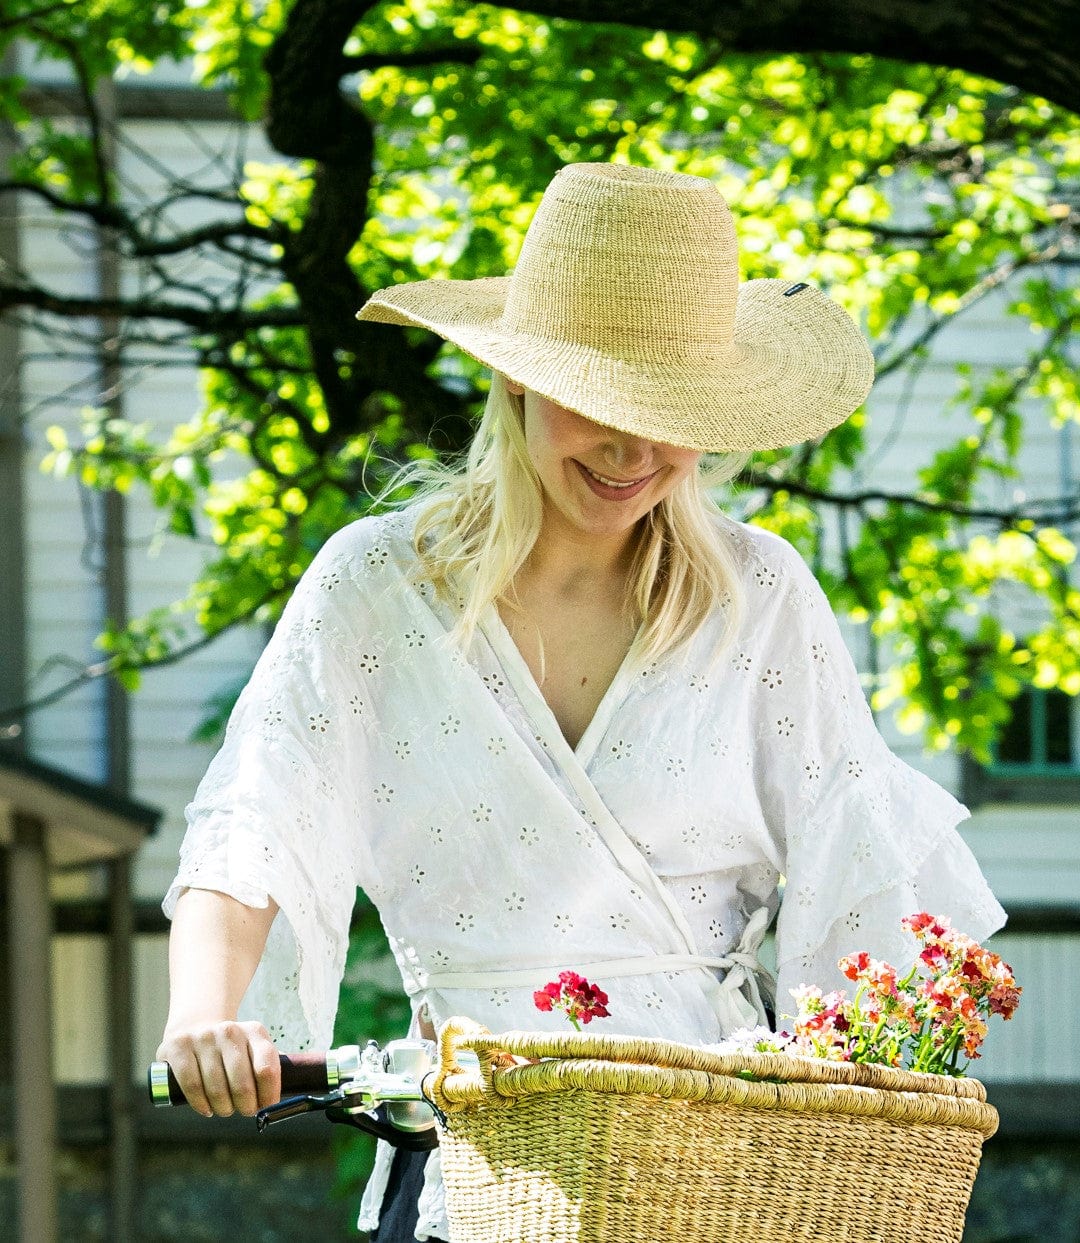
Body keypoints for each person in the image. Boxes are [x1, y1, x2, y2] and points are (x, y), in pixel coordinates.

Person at [157, 162, 1007, 1242]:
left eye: (671, 413)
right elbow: (255, 822)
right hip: (472, 1154)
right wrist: (202, 1014)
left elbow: (863, 874)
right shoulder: (374, 586)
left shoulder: (762, 596)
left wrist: (854, 1107)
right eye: (599, 401)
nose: (631, 450)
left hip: (717, 1166)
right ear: (518, 381)